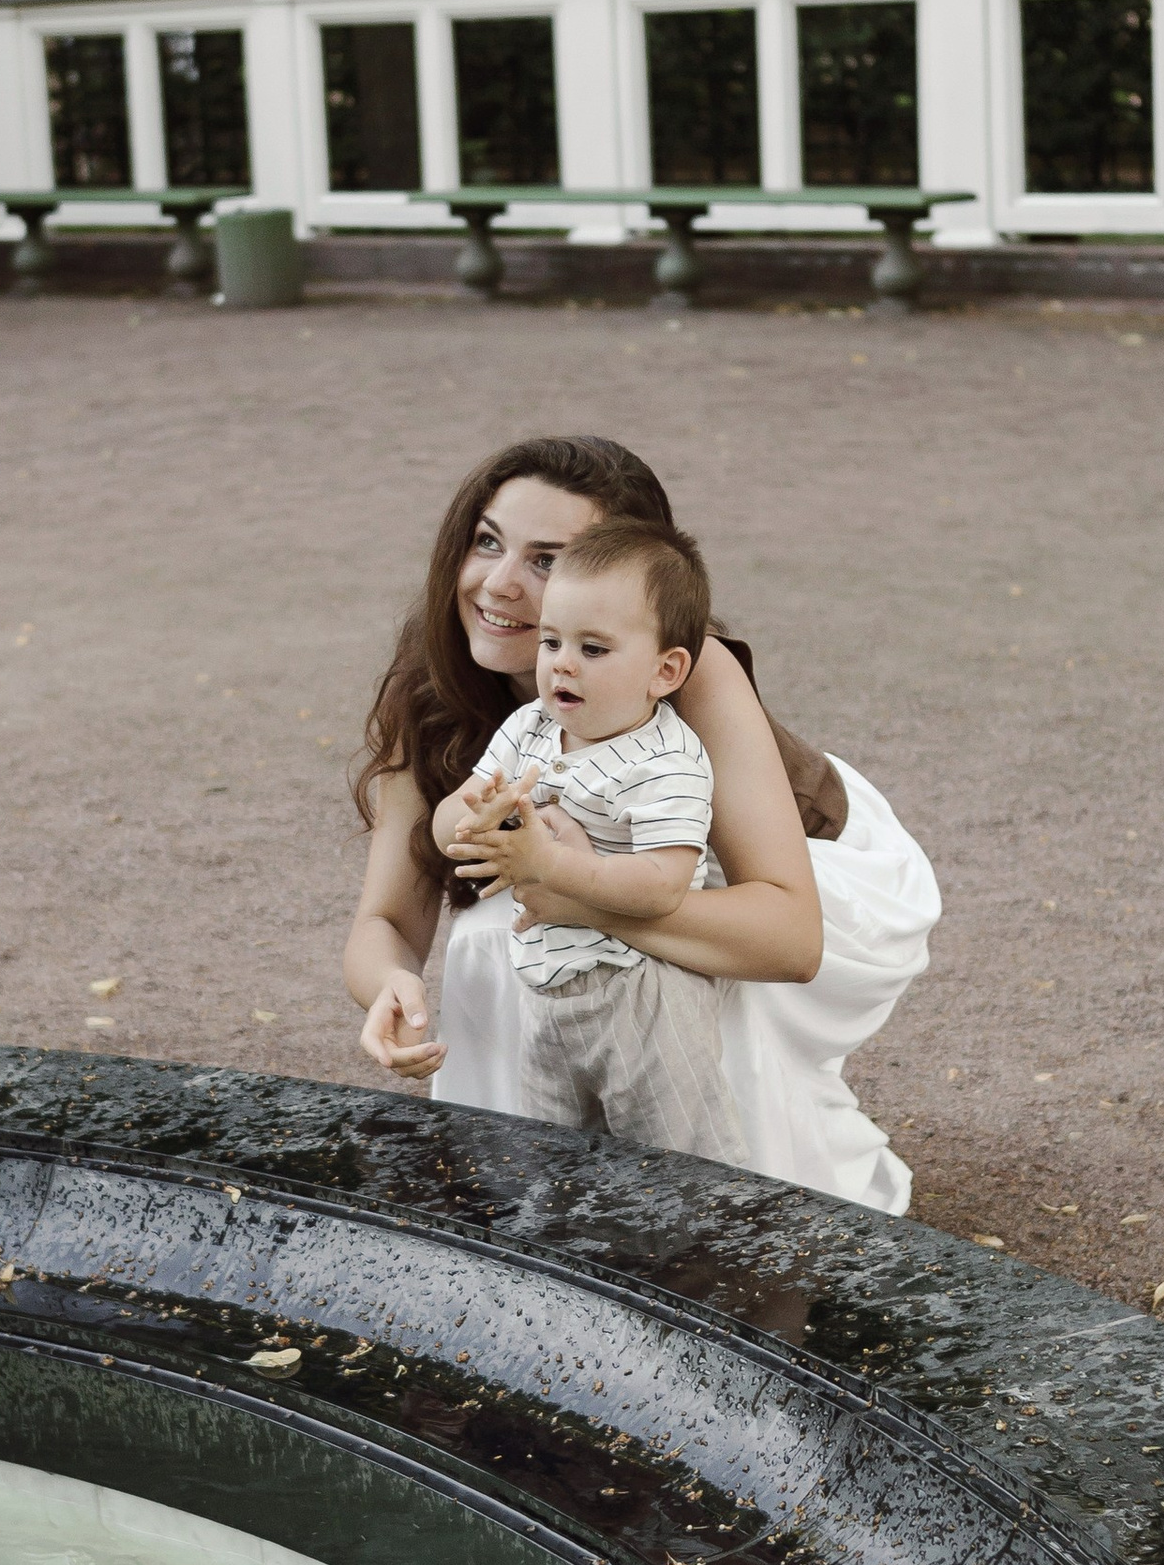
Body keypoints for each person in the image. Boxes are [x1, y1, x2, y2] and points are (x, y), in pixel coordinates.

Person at [346, 435, 938, 1210]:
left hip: (808, 869)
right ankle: (531, 1193)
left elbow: (791, 937)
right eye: (488, 541)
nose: (499, 583)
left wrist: (573, 891)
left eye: (547, 559)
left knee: (561, 943)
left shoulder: (690, 672)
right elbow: (384, 918)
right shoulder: (432, 685)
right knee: (508, 937)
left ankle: (746, 1211)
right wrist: (392, 986)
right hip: (589, 863)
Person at [436, 515, 743, 1166]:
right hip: (547, 988)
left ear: (665, 670)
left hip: (642, 994)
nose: (561, 665)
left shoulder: (664, 761)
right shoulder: (530, 726)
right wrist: (492, 816)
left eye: (593, 649)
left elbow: (663, 885)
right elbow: (476, 802)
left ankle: (694, 1264)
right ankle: (562, 1255)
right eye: (551, 642)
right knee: (555, 1167)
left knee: (677, 1166)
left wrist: (549, 863)